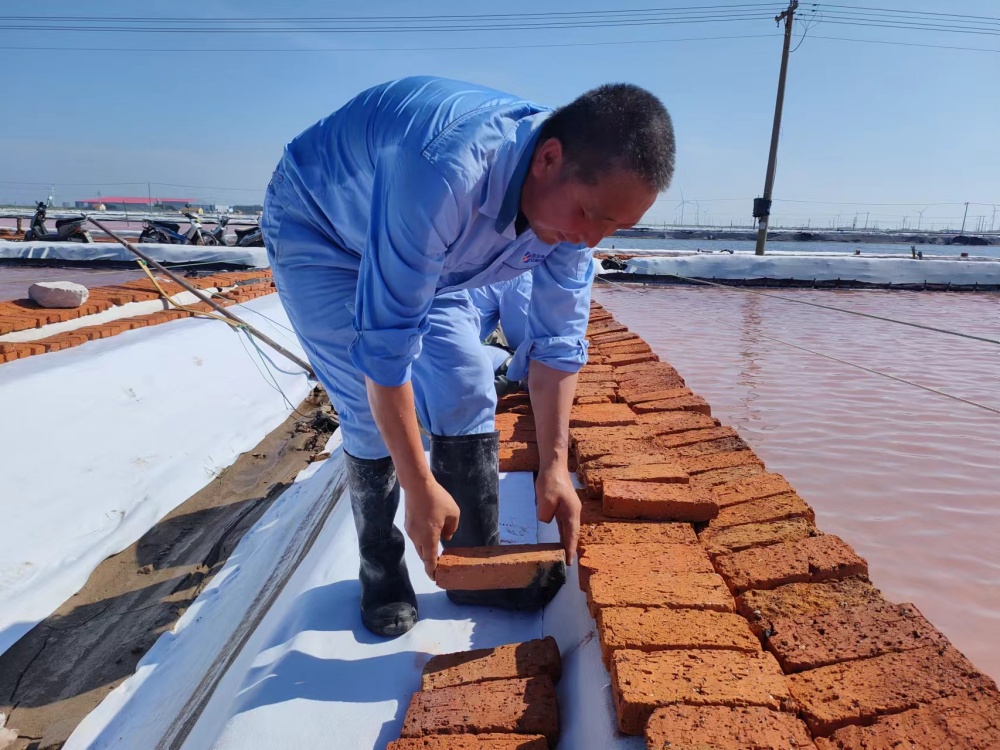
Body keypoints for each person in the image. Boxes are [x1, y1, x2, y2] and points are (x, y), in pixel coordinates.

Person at [262, 76, 674, 637]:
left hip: (437, 248)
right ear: (548, 160)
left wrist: (555, 468)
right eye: (589, 214)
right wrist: (418, 485)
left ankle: (477, 566)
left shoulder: (572, 219)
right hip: (321, 231)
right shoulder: (444, 174)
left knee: (466, 378)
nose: (592, 240)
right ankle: (381, 564)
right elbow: (385, 352)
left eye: (615, 228)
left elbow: (557, 344)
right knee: (364, 408)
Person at [469, 272, 535, 396]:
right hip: (451, 362)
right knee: (528, 363)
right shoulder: (515, 276)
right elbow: (532, 349)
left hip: (432, 357)